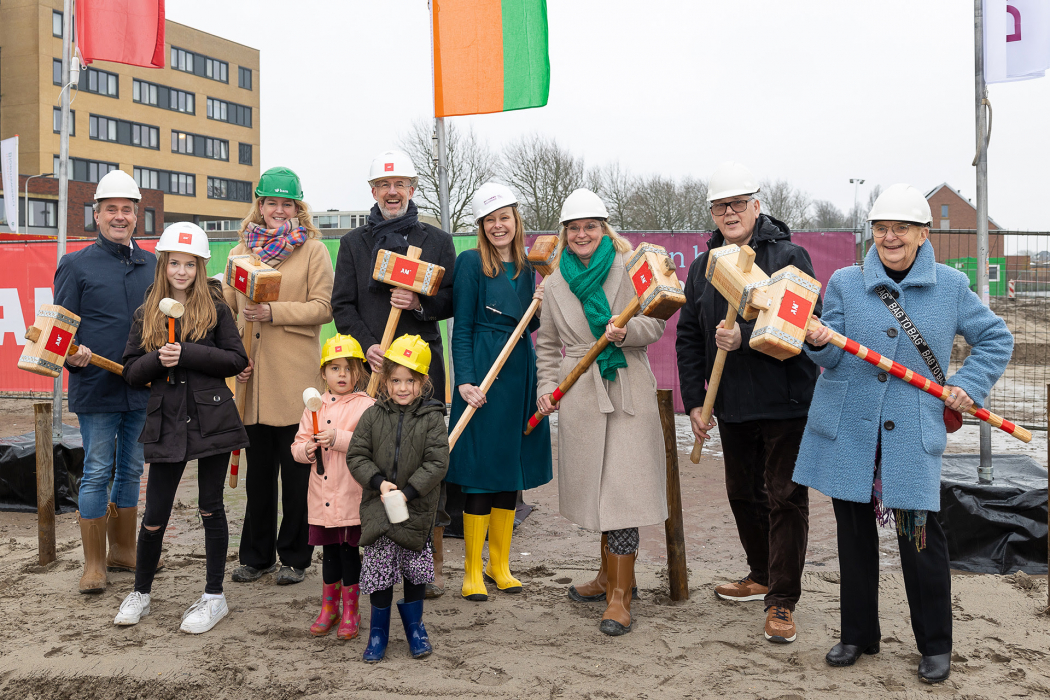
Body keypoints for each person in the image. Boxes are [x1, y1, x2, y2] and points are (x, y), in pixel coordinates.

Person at [794, 184, 1012, 684]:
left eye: (901, 228)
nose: (890, 237)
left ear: (923, 233)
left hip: (910, 432)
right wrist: (817, 340)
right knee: (853, 536)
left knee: (919, 538)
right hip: (851, 429)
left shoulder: (950, 286)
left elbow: (996, 338)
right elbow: (831, 356)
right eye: (881, 228)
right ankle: (858, 635)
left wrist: (966, 385)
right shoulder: (846, 282)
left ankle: (935, 644)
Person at [675, 161, 820, 644]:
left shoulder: (789, 257)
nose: (730, 213)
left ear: (757, 205)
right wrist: (696, 402)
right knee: (742, 494)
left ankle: (782, 599)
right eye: (721, 206)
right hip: (732, 403)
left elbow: (803, 323)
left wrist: (747, 335)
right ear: (712, 213)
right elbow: (689, 338)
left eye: (738, 204)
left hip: (785, 401)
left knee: (785, 498)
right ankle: (760, 573)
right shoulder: (703, 267)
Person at [534, 188, 667, 636]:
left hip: (627, 387)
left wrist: (627, 332)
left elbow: (656, 321)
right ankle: (607, 575)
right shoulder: (555, 283)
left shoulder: (630, 266)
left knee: (622, 494)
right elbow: (547, 344)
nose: (582, 234)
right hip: (581, 394)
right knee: (598, 491)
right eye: (574, 228)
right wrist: (548, 388)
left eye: (590, 226)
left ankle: (620, 596)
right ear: (564, 233)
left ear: (604, 229)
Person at [331, 150, 456, 597]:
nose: (392, 192)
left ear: (412, 188)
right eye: (384, 185)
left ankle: (428, 562)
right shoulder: (353, 244)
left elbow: (451, 300)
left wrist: (420, 303)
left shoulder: (437, 242)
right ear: (373, 191)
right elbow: (342, 305)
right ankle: (380, 558)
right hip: (376, 371)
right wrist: (369, 345)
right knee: (379, 461)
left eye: (400, 184)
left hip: (423, 375)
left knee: (425, 463)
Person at [113, 223, 249, 633]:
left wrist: (187, 352)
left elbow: (236, 360)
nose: (182, 271)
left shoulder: (217, 308)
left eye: (190, 264)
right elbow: (131, 371)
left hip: (213, 419)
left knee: (211, 507)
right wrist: (159, 359)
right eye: (175, 263)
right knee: (155, 513)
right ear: (163, 264)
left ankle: (214, 596)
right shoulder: (146, 312)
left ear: (200, 266)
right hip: (166, 422)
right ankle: (140, 592)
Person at [224, 167, 334, 586]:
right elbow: (229, 312)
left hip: (295, 380)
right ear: (260, 205)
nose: (278, 210)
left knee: (297, 473)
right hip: (252, 381)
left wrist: (273, 312)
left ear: (298, 208)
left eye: (287, 204)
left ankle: (295, 556)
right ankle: (256, 556)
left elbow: (323, 307)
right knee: (258, 478)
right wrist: (235, 356)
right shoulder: (239, 252)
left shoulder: (313, 251)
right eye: (271, 202)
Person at [446, 183, 553, 602]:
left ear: (515, 219)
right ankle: (472, 570)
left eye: (503, 217)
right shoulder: (471, 262)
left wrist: (541, 304)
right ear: (481, 225)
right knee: (480, 472)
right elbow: (462, 326)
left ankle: (500, 565)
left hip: (518, 372)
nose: (497, 226)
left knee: (509, 471)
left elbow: (527, 325)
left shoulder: (528, 268)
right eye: (489, 220)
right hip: (483, 373)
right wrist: (464, 380)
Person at [53, 169, 158, 594]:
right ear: (96, 215)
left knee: (131, 470)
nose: (119, 216)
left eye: (127, 210)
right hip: (96, 387)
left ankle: (124, 552)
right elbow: (59, 330)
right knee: (97, 470)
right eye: (111, 209)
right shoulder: (75, 264)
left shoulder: (153, 265)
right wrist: (72, 354)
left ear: (136, 216)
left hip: (141, 388)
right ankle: (94, 564)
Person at [347, 335, 449, 662]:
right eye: (395, 381)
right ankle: (378, 633)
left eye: (410, 381)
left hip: (417, 509)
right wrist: (379, 483)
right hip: (379, 508)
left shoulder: (432, 417)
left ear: (423, 381)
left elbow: (437, 462)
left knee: (414, 573)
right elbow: (356, 455)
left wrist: (408, 492)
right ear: (385, 381)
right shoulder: (373, 415)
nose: (402, 388)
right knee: (380, 573)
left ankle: (415, 629)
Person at [291, 334, 375, 640]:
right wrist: (307, 451)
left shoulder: (366, 405)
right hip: (322, 495)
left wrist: (337, 438)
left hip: (351, 495)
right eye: (335, 368)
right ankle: (330, 608)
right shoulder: (314, 406)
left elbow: (371, 444)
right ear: (323, 372)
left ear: (359, 372)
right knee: (329, 553)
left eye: (349, 368)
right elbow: (297, 445)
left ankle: (351, 610)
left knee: (349, 552)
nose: (342, 375)